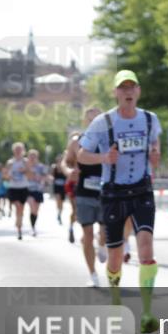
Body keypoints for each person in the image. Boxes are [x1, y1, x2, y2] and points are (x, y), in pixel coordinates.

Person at [77, 70, 162, 333]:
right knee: (114, 257)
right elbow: (81, 155)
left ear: (138, 91)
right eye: (122, 88)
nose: (127, 92)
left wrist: (156, 156)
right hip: (113, 192)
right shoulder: (103, 122)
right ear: (115, 92)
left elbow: (155, 149)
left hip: (142, 190)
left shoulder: (150, 119)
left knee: (146, 246)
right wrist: (103, 159)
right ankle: (115, 303)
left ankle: (147, 313)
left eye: (132, 87)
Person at [64, 107, 105, 286]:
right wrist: (68, 171)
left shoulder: (111, 139)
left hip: (107, 192)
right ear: (85, 123)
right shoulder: (77, 142)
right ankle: (93, 274)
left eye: (98, 119)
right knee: (87, 234)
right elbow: (65, 162)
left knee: (105, 232)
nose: (94, 122)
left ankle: (102, 245)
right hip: (85, 192)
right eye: (90, 120)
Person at [3, 143, 30, 240]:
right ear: (14, 151)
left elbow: (30, 174)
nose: (18, 151)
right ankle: (19, 227)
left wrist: (25, 170)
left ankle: (19, 226)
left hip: (23, 187)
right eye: (16, 149)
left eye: (20, 149)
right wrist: (8, 176)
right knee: (18, 206)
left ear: (23, 150)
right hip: (13, 187)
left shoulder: (26, 161)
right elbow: (5, 176)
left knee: (21, 209)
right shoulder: (10, 162)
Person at [25, 149, 49, 236]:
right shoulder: (26, 166)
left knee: (36, 210)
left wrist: (42, 178)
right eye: (30, 156)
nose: (32, 158)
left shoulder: (41, 166)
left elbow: (46, 176)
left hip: (38, 190)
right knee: (32, 207)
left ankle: (33, 226)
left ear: (37, 157)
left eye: (34, 156)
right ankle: (32, 228)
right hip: (29, 190)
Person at [51, 156, 67, 225]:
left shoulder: (65, 167)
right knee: (58, 200)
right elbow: (52, 176)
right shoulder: (54, 167)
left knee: (62, 202)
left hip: (63, 187)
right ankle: (58, 211)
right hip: (57, 186)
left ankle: (59, 214)